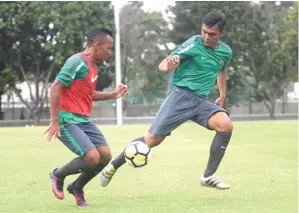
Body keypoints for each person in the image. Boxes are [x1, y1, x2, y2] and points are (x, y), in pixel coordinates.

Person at [100, 11, 233, 190]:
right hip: (180, 97)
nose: (206, 37)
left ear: (221, 34)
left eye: (212, 34)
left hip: (200, 102)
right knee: (152, 140)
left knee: (225, 125)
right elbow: (165, 63)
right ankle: (112, 167)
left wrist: (222, 94)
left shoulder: (225, 52)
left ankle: (208, 176)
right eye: (204, 32)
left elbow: (222, 70)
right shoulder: (194, 43)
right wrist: (168, 65)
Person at [45, 28, 128, 206]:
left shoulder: (93, 68)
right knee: (92, 158)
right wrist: (54, 120)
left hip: (83, 120)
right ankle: (58, 174)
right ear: (97, 45)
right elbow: (55, 87)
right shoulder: (76, 62)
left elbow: (89, 94)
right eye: (109, 47)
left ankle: (76, 186)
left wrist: (113, 95)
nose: (110, 52)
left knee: (105, 156)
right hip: (67, 119)